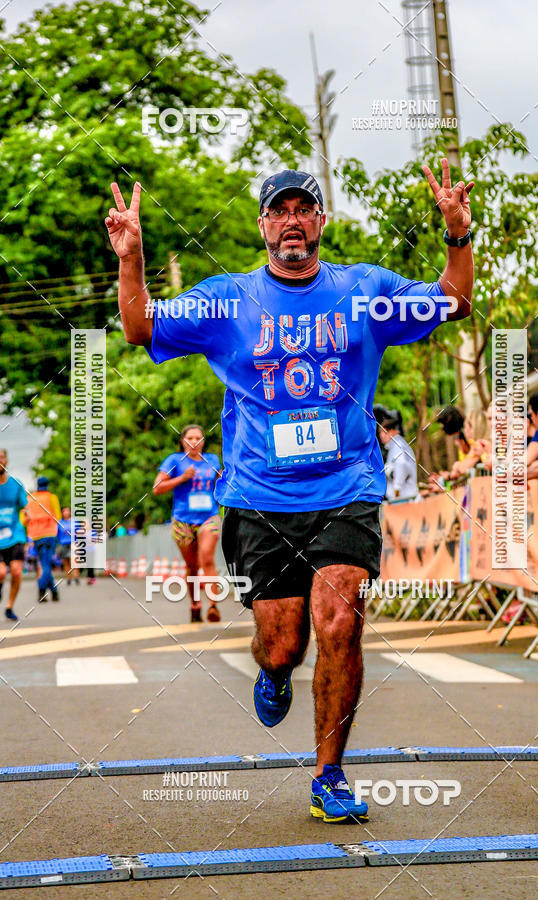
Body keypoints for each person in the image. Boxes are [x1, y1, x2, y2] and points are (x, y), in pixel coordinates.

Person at [106, 160, 474, 823]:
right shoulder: (226, 300)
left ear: (321, 221)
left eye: (305, 209)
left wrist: (456, 235)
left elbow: (453, 301)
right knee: (285, 643)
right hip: (257, 497)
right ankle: (273, 673)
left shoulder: (364, 291)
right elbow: (140, 329)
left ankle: (328, 774)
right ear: (263, 225)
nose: (293, 220)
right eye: (281, 210)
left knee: (341, 623)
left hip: (347, 489)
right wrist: (132, 260)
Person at [153, 425, 222, 623]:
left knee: (207, 558)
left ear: (203, 441)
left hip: (209, 516)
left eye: (198, 438)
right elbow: (157, 488)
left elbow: (222, 482)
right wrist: (182, 478)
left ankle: (213, 606)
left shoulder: (213, 460)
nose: (194, 441)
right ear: (183, 441)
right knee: (192, 566)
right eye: (190, 438)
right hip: (183, 520)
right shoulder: (174, 461)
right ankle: (195, 605)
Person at [0, 449, 28, 620]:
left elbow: (24, 505)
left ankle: (9, 606)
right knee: (1, 573)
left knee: (16, 571)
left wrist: (27, 513)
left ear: (6, 461)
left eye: (1, 457)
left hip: (15, 534)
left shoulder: (16, 484)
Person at [24, 476, 61, 603]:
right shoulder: (52, 497)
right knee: (46, 564)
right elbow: (58, 516)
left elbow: (24, 520)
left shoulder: (29, 499)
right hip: (50, 534)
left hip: (36, 535)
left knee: (44, 563)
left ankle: (55, 592)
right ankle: (42, 590)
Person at [374, 406, 418, 500]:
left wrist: (396, 490)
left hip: (404, 498)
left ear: (393, 431)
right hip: (405, 497)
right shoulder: (395, 445)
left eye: (385, 432)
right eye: (380, 432)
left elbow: (401, 464)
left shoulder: (398, 445)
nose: (382, 435)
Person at [57, 507, 79, 585]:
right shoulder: (60, 523)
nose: (66, 512)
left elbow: (79, 532)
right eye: (64, 511)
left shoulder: (75, 522)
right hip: (63, 544)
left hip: (73, 543)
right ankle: (69, 578)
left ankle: (76, 577)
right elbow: (57, 534)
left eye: (67, 511)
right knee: (66, 562)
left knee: (74, 561)